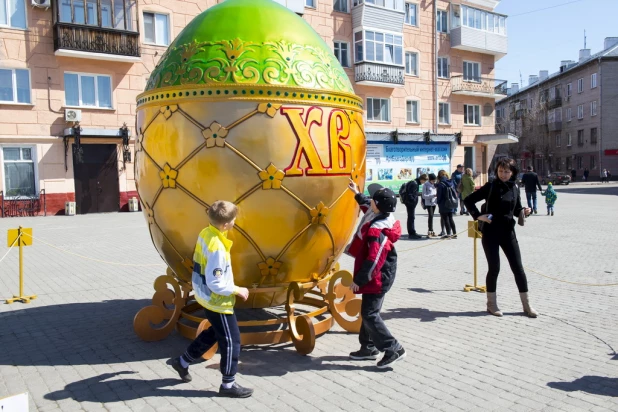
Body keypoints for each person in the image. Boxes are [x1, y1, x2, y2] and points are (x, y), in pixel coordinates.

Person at [169, 201, 253, 398]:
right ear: (226, 225)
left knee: (214, 333)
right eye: (233, 220)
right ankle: (228, 384)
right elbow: (216, 282)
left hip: (205, 296)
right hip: (217, 300)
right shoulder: (217, 248)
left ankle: (182, 362)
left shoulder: (207, 233)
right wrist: (236, 289)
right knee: (232, 341)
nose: (234, 223)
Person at [464, 158, 538, 318]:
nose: (503, 174)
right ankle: (491, 305)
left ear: (512, 172)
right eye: (500, 171)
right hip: (490, 233)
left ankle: (527, 305)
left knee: (518, 268)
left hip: (508, 233)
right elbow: (468, 200)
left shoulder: (515, 187)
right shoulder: (491, 187)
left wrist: (525, 211)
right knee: (494, 268)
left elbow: (516, 207)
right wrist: (478, 216)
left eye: (506, 171)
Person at [346, 181, 406, 368]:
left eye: (374, 199)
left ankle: (392, 348)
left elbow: (375, 259)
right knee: (368, 312)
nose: (370, 200)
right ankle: (369, 348)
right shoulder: (381, 215)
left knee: (370, 314)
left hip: (378, 277)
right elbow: (367, 206)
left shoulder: (377, 230)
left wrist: (359, 280)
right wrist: (357, 193)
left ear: (378, 205)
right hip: (377, 275)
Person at [399, 174, 427, 240]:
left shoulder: (414, 182)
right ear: (422, 179)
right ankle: (411, 233)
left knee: (411, 217)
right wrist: (413, 201)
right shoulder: (414, 184)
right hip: (410, 203)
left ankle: (413, 232)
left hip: (409, 202)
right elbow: (410, 194)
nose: (424, 183)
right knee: (411, 217)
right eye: (424, 181)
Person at [436, 170, 457, 239]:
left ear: (439, 176)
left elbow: (439, 195)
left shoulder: (441, 184)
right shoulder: (451, 182)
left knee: (445, 219)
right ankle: (454, 233)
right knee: (451, 218)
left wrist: (438, 202)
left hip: (443, 203)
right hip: (451, 202)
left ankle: (448, 234)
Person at [422, 173, 438, 237]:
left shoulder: (435, 185)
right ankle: (430, 230)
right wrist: (432, 195)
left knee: (432, 216)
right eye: (433, 181)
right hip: (428, 203)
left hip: (434, 202)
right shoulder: (425, 185)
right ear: (430, 179)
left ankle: (432, 230)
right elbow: (424, 196)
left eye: (435, 181)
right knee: (430, 215)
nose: (434, 182)